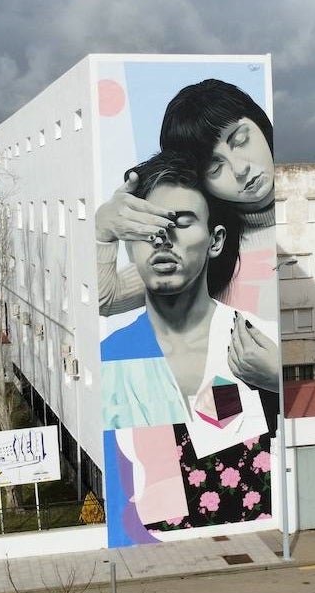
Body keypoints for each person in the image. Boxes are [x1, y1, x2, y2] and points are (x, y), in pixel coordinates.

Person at [100, 153, 275, 537]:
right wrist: (102, 231)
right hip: (149, 565)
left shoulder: (256, 343)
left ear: (215, 242)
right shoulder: (113, 355)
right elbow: (127, 493)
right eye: (146, 226)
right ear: (129, 246)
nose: (162, 239)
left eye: (180, 222)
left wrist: (278, 380)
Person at [96, 78, 279, 391]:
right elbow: (106, 299)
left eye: (239, 140)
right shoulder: (204, 244)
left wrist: (279, 379)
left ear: (261, 124)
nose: (240, 169)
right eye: (214, 166)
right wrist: (103, 231)